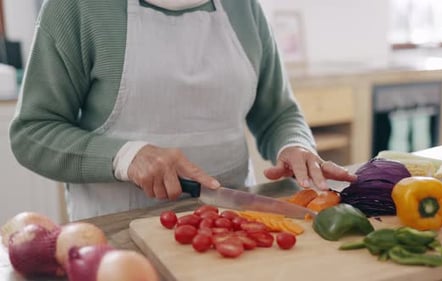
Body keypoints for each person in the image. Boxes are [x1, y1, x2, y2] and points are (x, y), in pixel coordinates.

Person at [9, 0, 356, 221]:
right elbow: (33, 132)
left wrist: (294, 145)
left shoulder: (244, 8)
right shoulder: (78, 7)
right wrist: (126, 156)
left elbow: (279, 112)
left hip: (232, 220)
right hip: (117, 234)